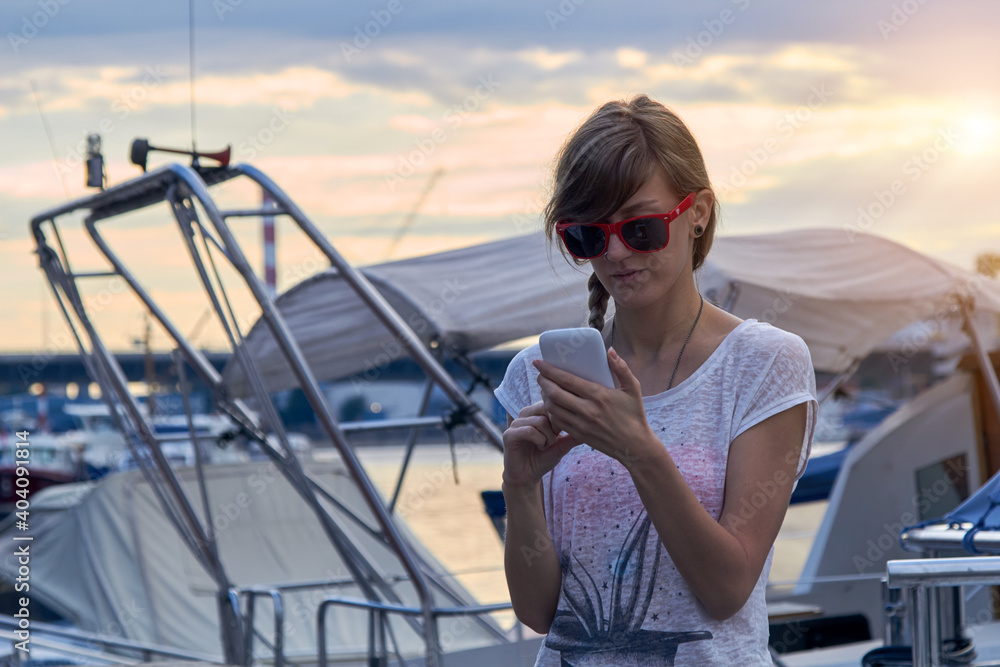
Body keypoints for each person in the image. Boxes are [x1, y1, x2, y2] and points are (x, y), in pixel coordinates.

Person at [494, 95, 817, 666]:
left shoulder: (763, 364)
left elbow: (726, 589)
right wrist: (518, 486)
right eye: (588, 236)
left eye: (640, 227)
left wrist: (639, 452)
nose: (616, 252)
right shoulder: (537, 375)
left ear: (699, 213)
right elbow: (537, 610)